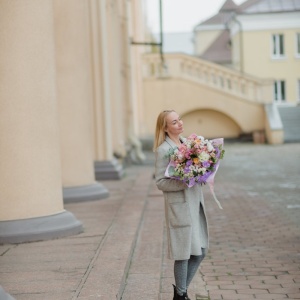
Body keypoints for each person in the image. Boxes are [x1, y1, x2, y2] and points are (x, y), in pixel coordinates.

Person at [154, 110, 208, 300]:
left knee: (201, 252)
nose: (179, 124)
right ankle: (182, 294)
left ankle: (179, 293)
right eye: (174, 122)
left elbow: (197, 168)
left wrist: (204, 171)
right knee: (184, 253)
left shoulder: (189, 144)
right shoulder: (163, 150)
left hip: (195, 203)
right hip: (180, 206)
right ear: (165, 127)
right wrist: (184, 181)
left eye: (179, 120)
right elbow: (160, 182)